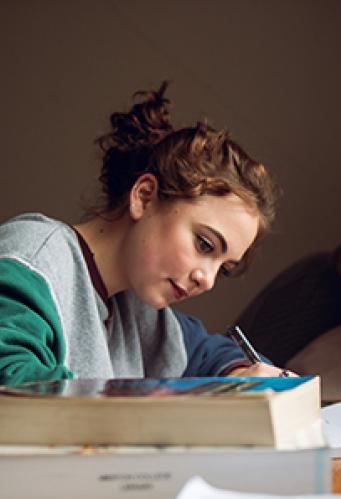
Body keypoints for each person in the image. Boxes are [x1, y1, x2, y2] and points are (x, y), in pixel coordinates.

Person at [0, 82, 288, 386]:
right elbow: (13, 385)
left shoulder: (137, 308)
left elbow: (205, 351)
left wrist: (239, 373)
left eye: (224, 267)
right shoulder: (33, 258)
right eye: (204, 244)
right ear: (144, 196)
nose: (208, 280)